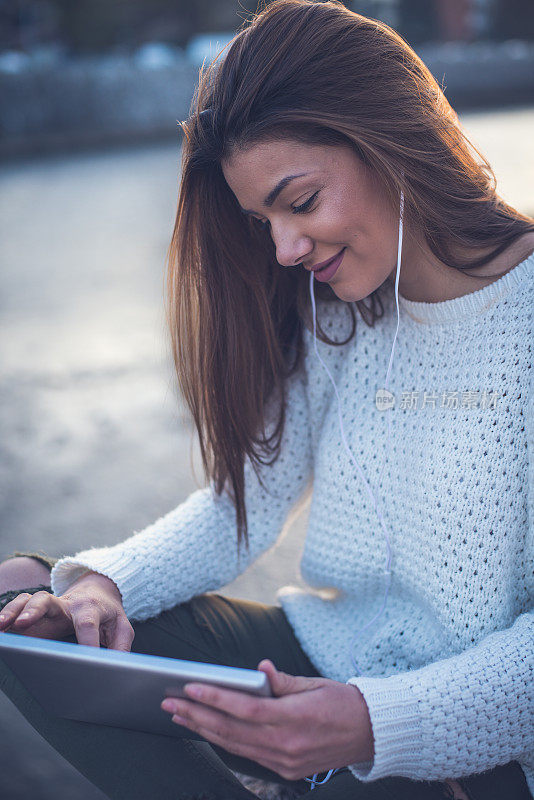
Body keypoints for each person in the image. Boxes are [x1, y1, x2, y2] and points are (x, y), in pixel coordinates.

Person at [0, 1, 533, 798]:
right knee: (27, 604)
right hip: (323, 651)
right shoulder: (335, 313)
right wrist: (103, 584)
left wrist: (375, 721)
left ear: (390, 138)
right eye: (263, 222)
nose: (284, 249)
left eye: (302, 201)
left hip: (465, 720)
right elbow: (241, 508)